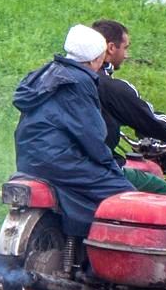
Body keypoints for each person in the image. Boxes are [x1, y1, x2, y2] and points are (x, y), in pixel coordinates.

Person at [12, 24, 133, 237]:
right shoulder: (80, 82)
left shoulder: (46, 72)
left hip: (28, 159)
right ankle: (101, 261)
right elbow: (92, 135)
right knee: (127, 198)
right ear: (96, 59)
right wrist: (110, 166)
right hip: (60, 163)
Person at [89, 19, 166, 193]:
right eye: (125, 48)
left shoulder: (56, 77)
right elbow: (149, 120)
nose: (126, 55)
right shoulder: (110, 87)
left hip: (43, 161)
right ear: (111, 48)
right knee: (162, 189)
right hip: (91, 167)